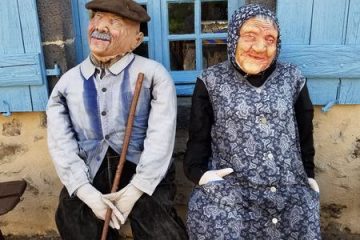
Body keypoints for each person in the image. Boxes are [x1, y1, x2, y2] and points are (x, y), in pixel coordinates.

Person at [46, 0, 187, 239]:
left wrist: (135, 190)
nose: (100, 27)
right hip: (89, 168)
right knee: (73, 219)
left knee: (159, 226)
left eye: (114, 23)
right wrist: (86, 192)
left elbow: (160, 138)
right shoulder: (67, 84)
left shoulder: (154, 75)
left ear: (137, 40)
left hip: (141, 167)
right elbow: (61, 144)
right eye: (97, 18)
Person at [184, 4, 320, 239]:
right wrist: (200, 175)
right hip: (233, 188)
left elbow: (304, 129)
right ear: (234, 37)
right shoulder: (211, 80)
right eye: (250, 36)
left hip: (287, 185)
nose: (260, 47)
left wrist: (308, 174)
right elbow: (198, 138)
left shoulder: (292, 78)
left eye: (270, 39)